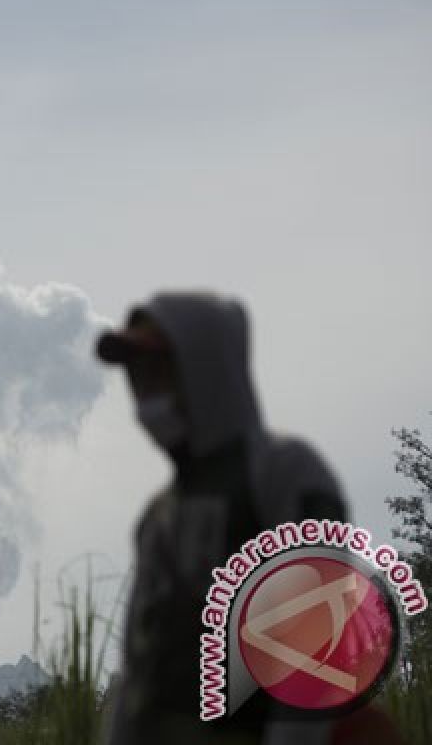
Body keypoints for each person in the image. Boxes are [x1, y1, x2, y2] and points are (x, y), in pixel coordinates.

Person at [95, 291, 350, 744]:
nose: (144, 392)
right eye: (136, 377)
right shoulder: (157, 517)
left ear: (204, 370)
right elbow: (138, 670)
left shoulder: (282, 472)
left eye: (158, 370)